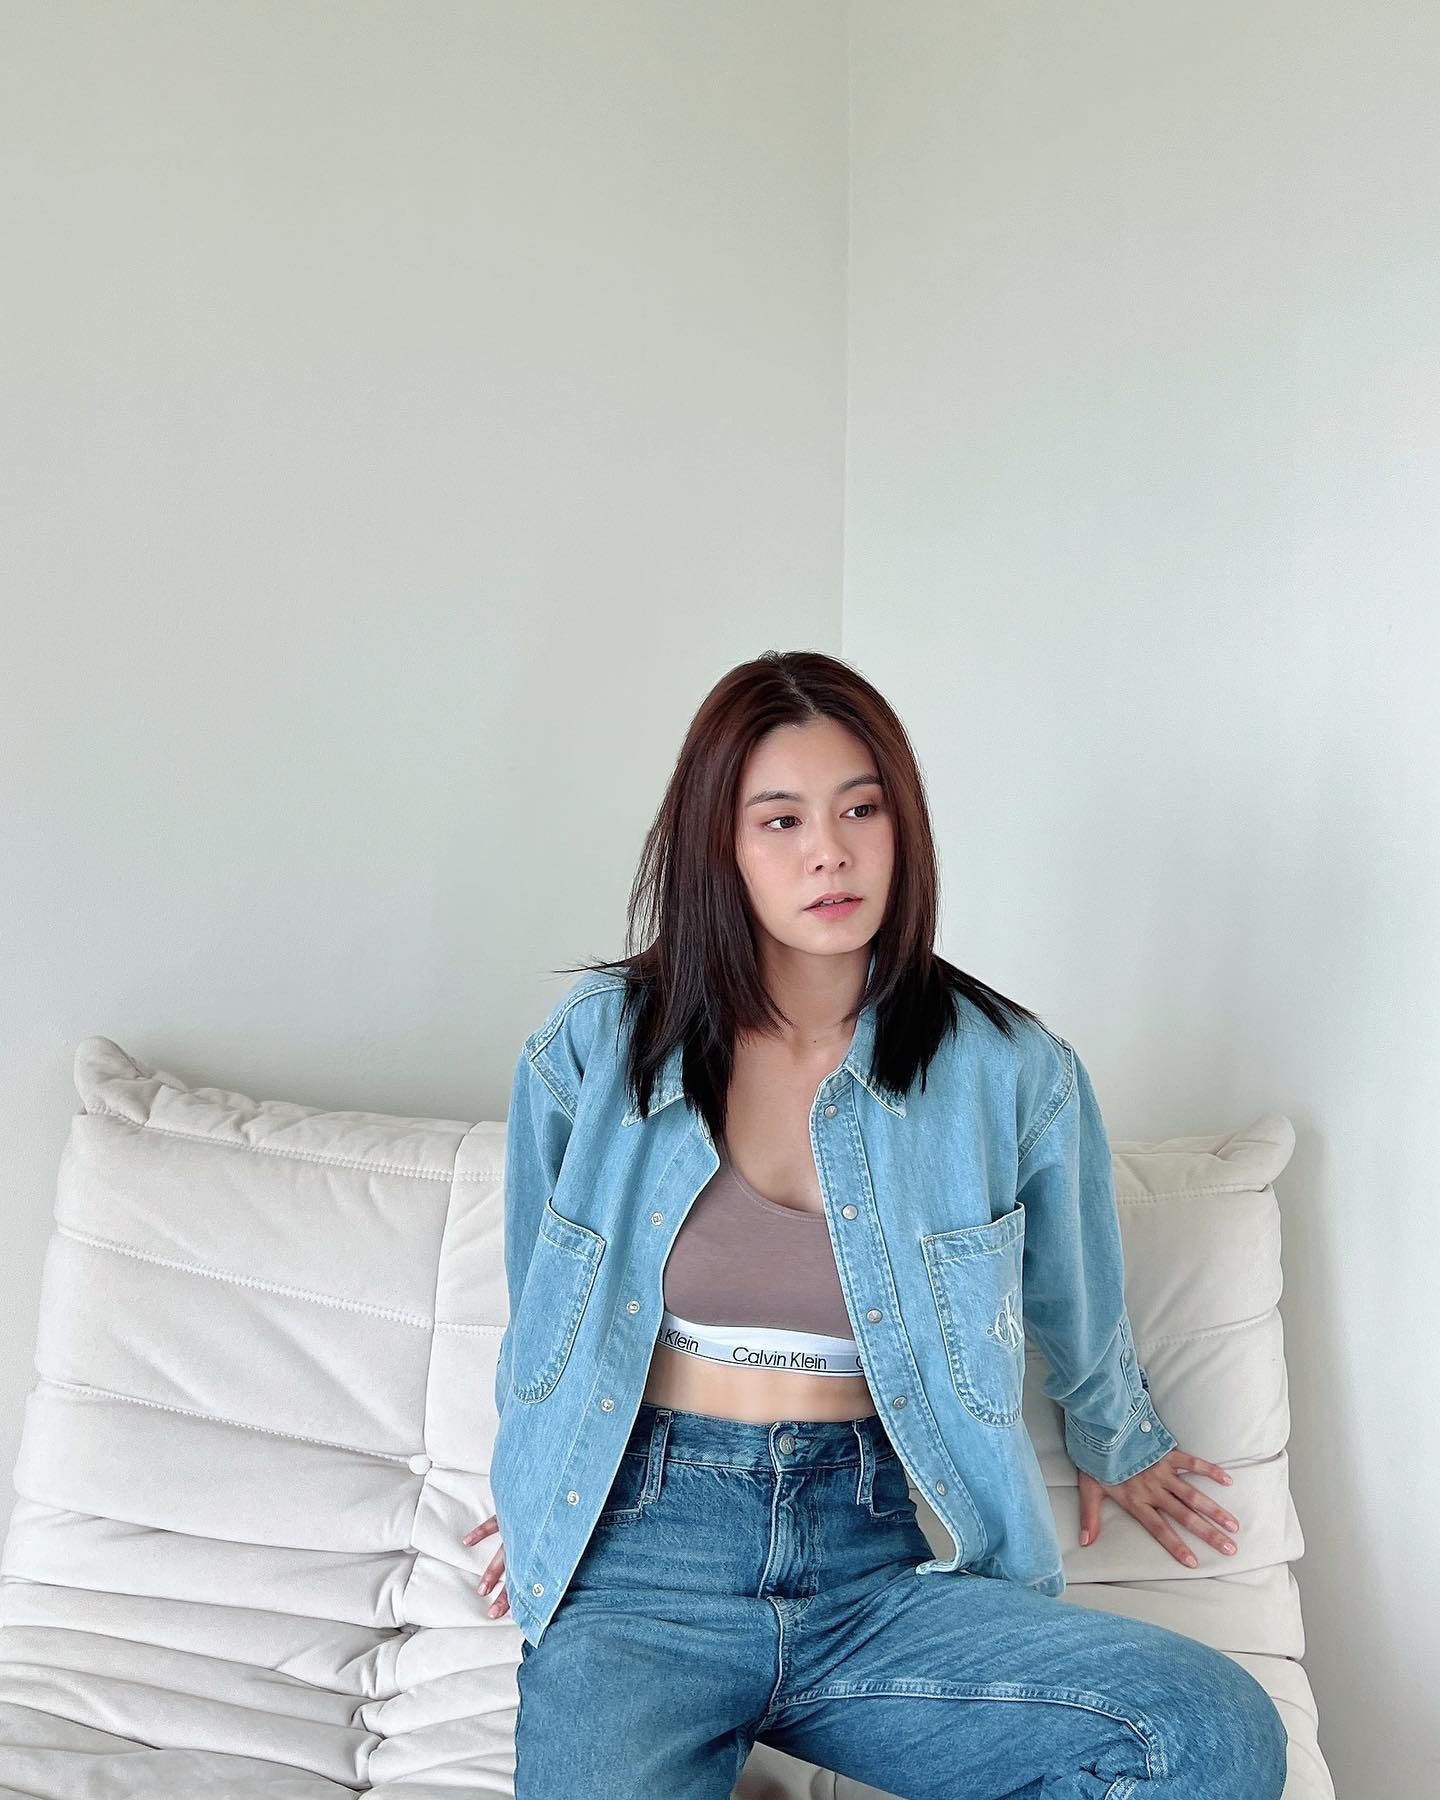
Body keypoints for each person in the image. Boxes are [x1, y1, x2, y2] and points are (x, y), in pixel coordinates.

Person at [463, 651, 1290, 1797]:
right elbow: (543, 1305)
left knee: (1206, 1731)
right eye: (781, 820)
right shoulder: (599, 1043)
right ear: (718, 845)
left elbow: (1073, 1290)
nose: (831, 852)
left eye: (861, 809)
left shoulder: (1011, 1071)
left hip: (869, 1565)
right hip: (642, 1561)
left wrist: (1121, 1438)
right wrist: (541, 1486)